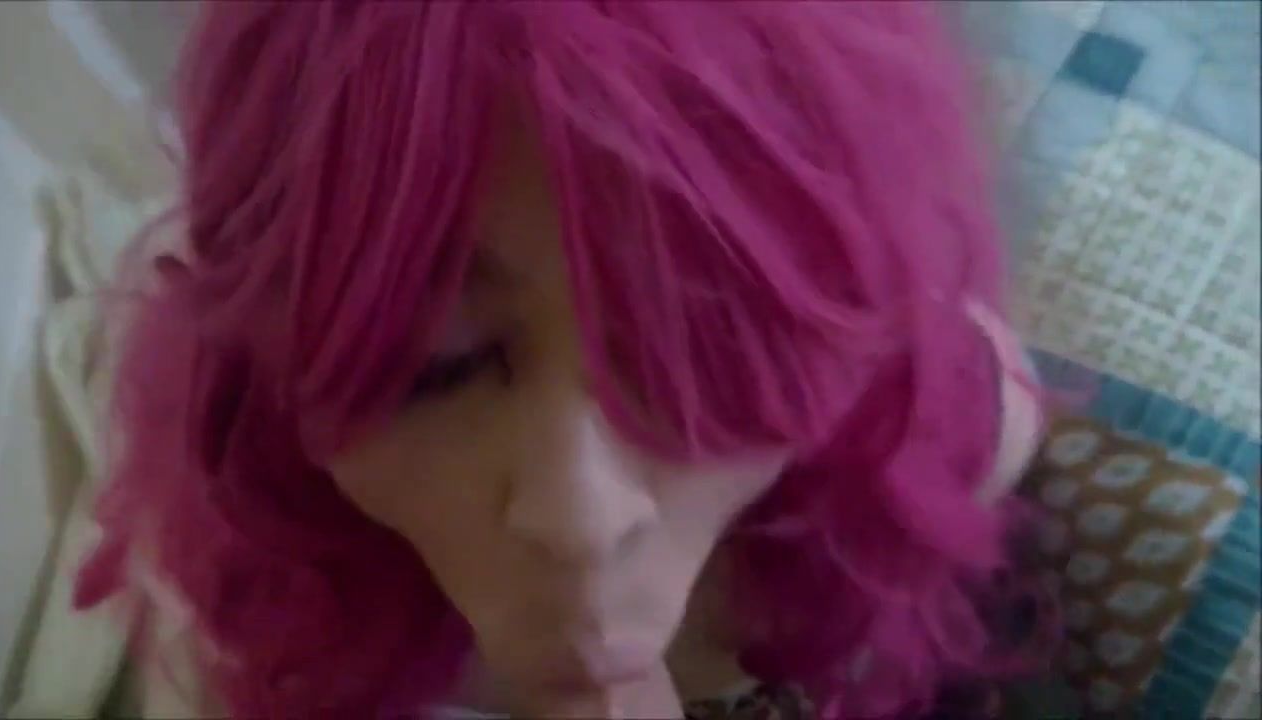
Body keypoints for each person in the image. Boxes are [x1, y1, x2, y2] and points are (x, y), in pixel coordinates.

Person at [75, 2, 1050, 717]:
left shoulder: (941, 425)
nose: (579, 518)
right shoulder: (255, 591)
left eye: (703, 340)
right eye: (435, 366)